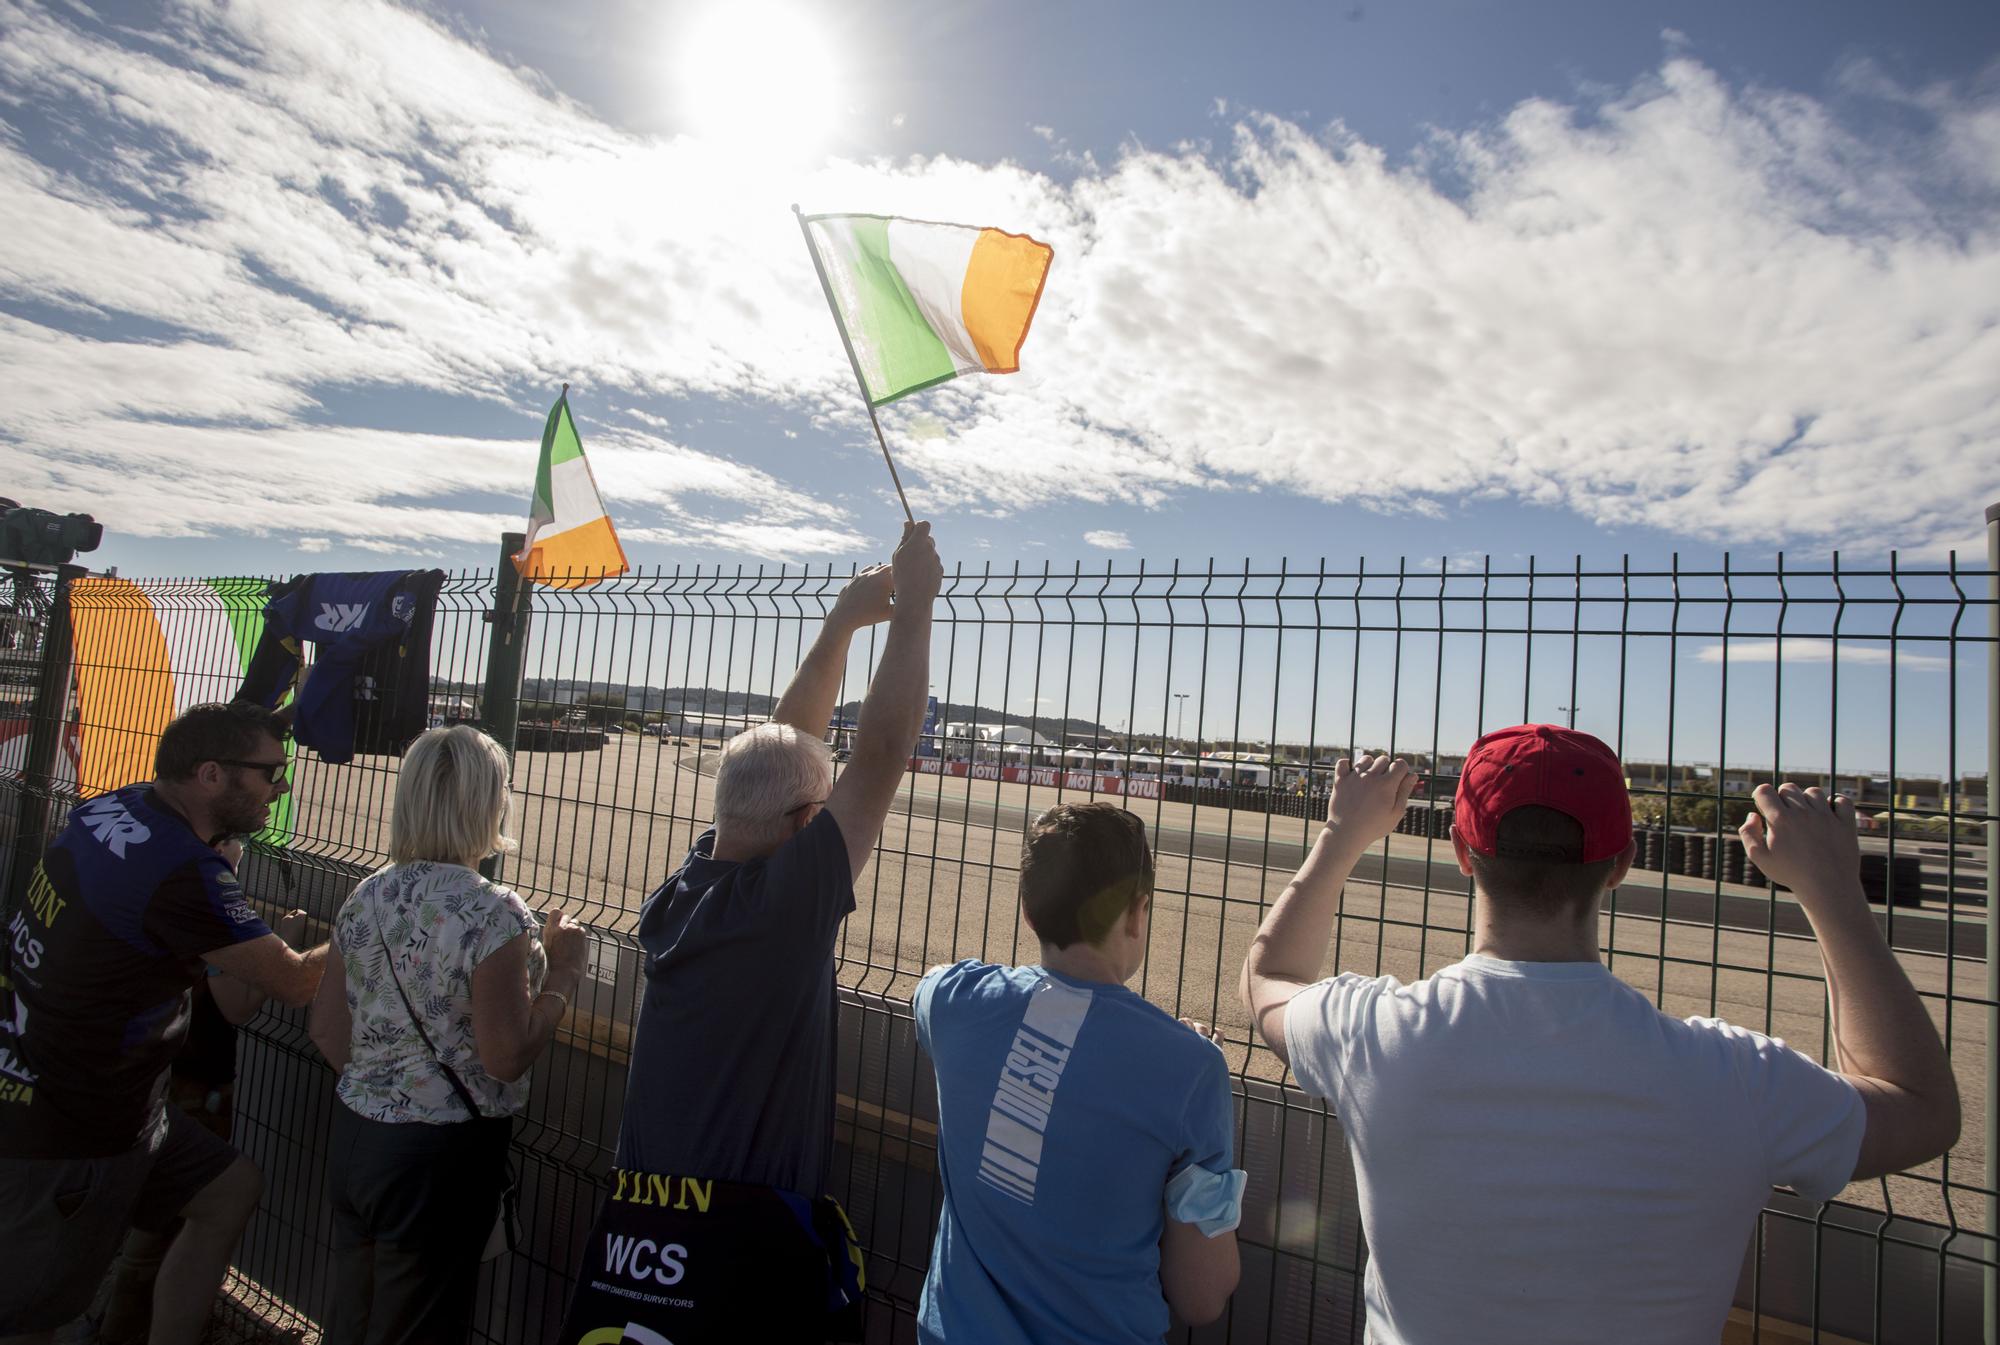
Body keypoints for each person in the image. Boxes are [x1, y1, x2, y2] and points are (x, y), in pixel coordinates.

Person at [1239, 725, 1961, 1344]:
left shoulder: (1372, 1033)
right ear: (1623, 862)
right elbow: (1922, 1108)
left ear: (1463, 851)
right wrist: (1833, 890)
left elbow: (1268, 976)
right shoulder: (1732, 1078)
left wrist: (1343, 833)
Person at [590, 521, 940, 1335]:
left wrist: (843, 622)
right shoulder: (778, 911)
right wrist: (916, 608)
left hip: (645, 1231)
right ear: (807, 821)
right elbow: (882, 752)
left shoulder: (690, 884)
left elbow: (780, 748)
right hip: (734, 1242)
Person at [0, 702, 328, 1345]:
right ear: (211, 775)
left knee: (228, 1189)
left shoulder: (119, 806)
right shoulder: (182, 875)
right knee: (33, 1318)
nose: (281, 788)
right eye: (270, 774)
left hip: (82, 1086)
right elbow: (291, 980)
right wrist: (377, 913)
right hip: (76, 1126)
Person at [913, 803, 1243, 1344]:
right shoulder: (1189, 1069)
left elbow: (930, 984)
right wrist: (1188, 1057)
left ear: (1028, 911)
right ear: (1139, 913)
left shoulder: (953, 1000)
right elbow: (1202, 1297)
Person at [308, 724, 586, 1345]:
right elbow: (506, 1056)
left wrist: (387, 1087)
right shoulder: (493, 912)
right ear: (490, 803)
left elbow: (327, 1030)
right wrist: (563, 975)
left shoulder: (366, 895)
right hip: (437, 1157)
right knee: (421, 1326)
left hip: (357, 1138)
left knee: (352, 1316)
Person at [92, 850, 312, 1345]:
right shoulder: (207, 906)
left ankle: (114, 1329)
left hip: (165, 1079)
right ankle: (124, 1332)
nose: (236, 864)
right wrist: (287, 944)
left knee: (151, 1239)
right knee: (162, 1238)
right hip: (199, 1092)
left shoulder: (157, 888)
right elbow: (236, 1006)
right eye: (233, 856)